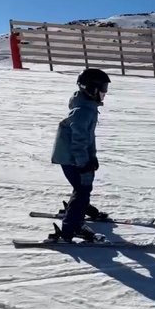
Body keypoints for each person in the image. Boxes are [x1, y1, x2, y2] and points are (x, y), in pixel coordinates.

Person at [48, 68, 111, 242]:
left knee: (84, 186)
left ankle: (79, 208)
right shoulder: (83, 111)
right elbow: (78, 142)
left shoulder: (87, 107)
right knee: (82, 188)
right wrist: (83, 163)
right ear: (91, 89)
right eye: (103, 88)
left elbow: (87, 138)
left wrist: (92, 157)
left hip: (74, 156)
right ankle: (71, 228)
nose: (105, 92)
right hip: (71, 158)